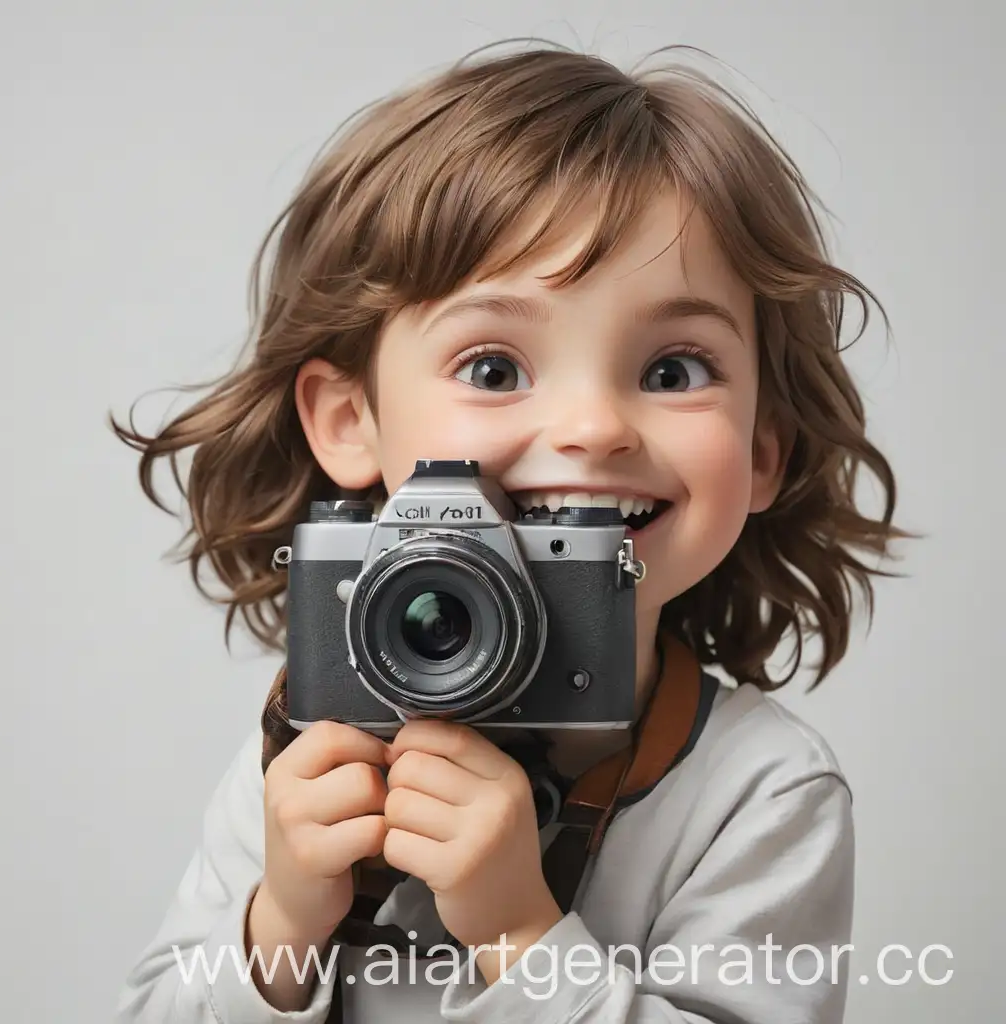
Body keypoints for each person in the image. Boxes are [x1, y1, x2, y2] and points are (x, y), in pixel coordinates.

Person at [111, 42, 905, 1024]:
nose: (595, 426)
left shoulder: (761, 792)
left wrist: (516, 934)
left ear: (759, 453)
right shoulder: (310, 738)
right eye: (493, 368)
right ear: (350, 420)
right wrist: (279, 929)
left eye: (671, 371)